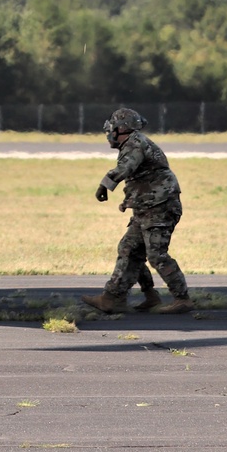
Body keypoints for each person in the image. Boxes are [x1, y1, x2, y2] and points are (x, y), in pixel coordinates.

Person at [82, 107, 193, 315]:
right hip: (147, 207)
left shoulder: (134, 143)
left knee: (156, 254)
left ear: (121, 129)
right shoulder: (133, 142)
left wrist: (105, 184)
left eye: (112, 129)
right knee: (129, 248)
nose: (109, 134)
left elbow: (126, 167)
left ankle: (182, 298)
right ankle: (118, 298)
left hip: (160, 206)